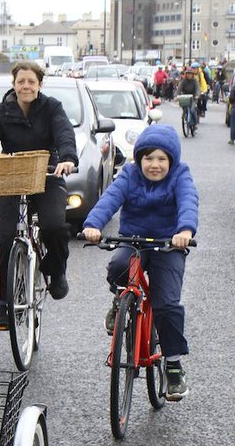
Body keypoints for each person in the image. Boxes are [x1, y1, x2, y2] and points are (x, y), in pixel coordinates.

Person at [82, 124, 198, 402]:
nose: (154, 165)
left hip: (169, 244)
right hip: (133, 240)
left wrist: (185, 231)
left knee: (167, 303)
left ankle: (172, 365)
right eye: (148, 158)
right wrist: (93, 224)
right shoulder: (130, 174)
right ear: (139, 159)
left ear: (171, 160)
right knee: (118, 267)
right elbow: (110, 198)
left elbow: (189, 201)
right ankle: (120, 301)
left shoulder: (181, 176)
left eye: (161, 159)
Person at [0, 60, 77, 322]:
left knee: (54, 226)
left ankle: (56, 270)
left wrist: (67, 158)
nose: (26, 86)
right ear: (14, 84)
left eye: (31, 81)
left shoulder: (52, 107)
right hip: (10, 176)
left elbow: (64, 133)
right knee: (5, 238)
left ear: (39, 85)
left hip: (48, 174)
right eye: (21, 81)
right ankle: (4, 302)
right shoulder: (0, 112)